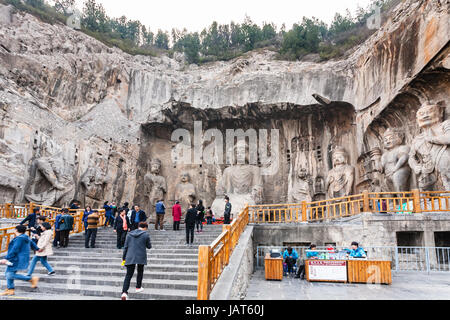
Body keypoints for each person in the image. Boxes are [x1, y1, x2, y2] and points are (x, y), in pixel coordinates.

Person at [0, 225, 40, 296]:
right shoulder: (25, 237)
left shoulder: (19, 238)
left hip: (16, 259)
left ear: (16, 230)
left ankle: (31, 279)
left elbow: (15, 249)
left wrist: (6, 258)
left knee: (9, 274)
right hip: (19, 258)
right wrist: (37, 248)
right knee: (8, 273)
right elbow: (32, 244)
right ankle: (10, 290)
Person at [121, 222, 152, 300]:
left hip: (130, 256)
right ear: (145, 228)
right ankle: (138, 287)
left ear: (138, 227)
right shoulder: (145, 234)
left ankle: (124, 292)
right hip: (140, 256)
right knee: (140, 272)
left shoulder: (129, 234)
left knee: (128, 275)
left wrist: (124, 258)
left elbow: (125, 247)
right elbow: (149, 246)